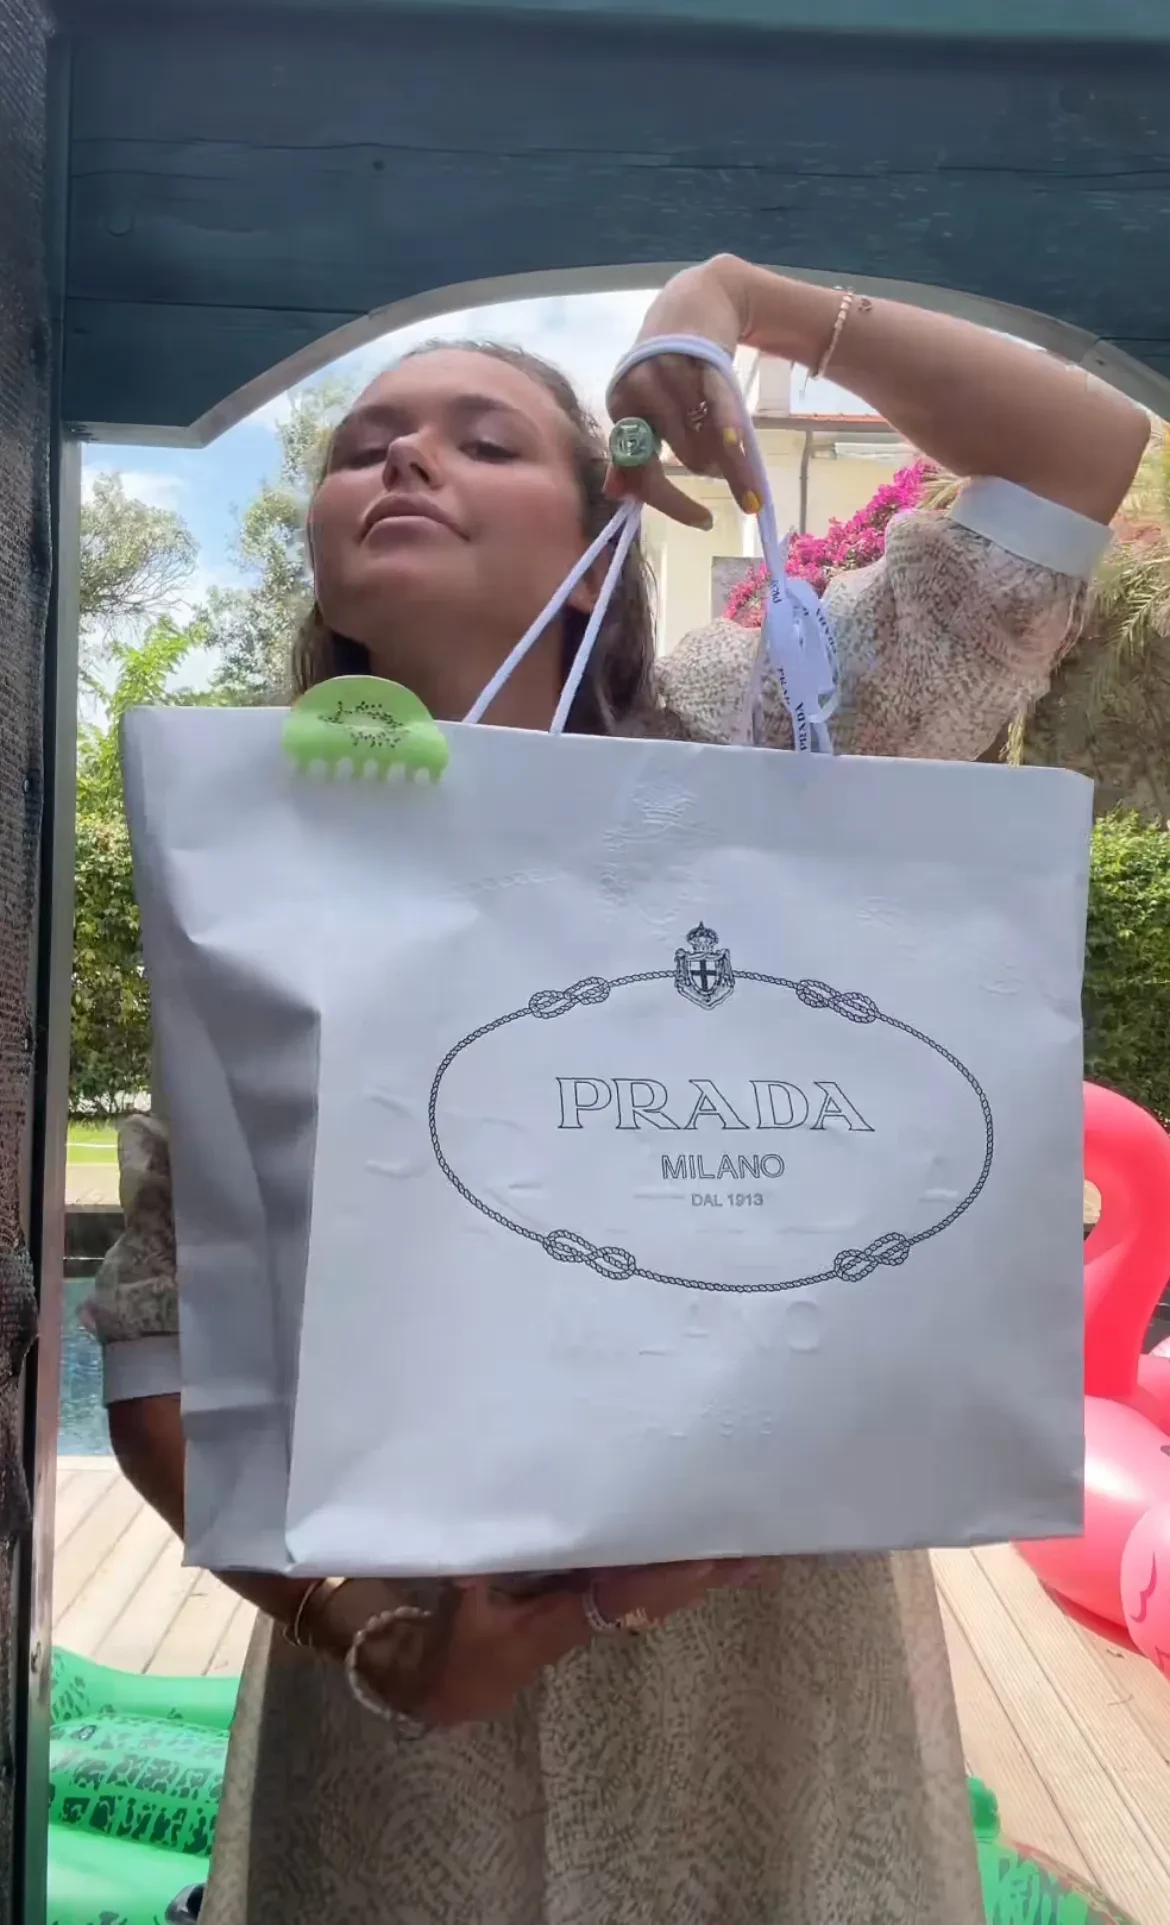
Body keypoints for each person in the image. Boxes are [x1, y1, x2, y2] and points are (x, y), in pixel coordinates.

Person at [87, 254, 1147, 1925]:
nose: (403, 456)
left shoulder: (767, 739)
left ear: (597, 554)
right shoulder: (263, 860)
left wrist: (740, 306)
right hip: (418, 1708)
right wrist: (374, 1639)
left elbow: (1076, 455)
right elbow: (164, 1343)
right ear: (326, 565)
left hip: (769, 1682)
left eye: (482, 438)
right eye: (363, 443)